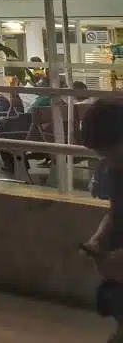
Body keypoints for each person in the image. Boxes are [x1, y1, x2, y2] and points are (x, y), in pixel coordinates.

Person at [80, 98, 123, 342]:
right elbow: (114, 211)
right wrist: (98, 240)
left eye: (113, 154)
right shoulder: (112, 168)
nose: (109, 162)